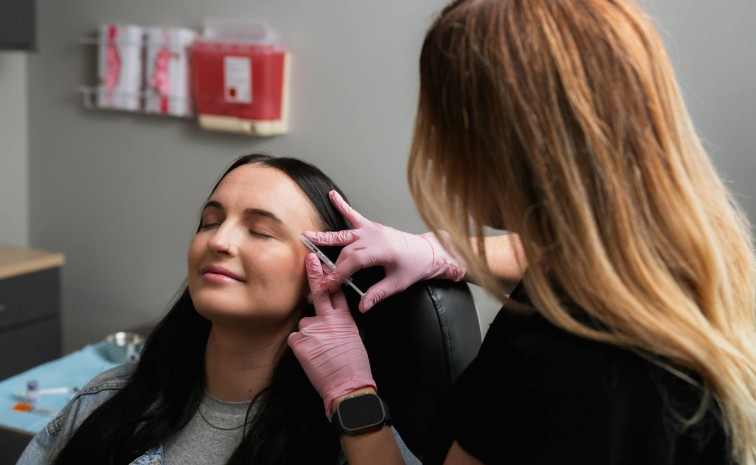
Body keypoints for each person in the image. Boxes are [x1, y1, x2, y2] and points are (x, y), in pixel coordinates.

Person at [289, 1, 756, 464]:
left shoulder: (572, 373)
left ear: (503, 147)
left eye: (445, 126)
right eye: (211, 219)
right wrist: (440, 250)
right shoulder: (685, 255)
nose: (437, 152)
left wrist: (352, 397)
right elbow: (562, 251)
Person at [17, 153, 419, 465]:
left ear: (323, 275)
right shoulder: (105, 402)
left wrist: (352, 399)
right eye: (210, 222)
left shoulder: (357, 439)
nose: (220, 241)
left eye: (260, 231)